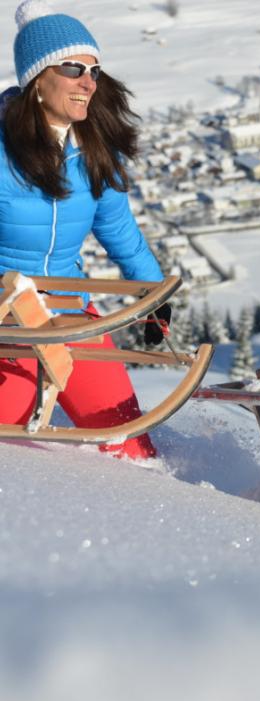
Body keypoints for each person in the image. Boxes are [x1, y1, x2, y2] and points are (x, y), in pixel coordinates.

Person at [0, 0, 170, 460]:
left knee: (130, 445)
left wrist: (154, 298)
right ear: (37, 79)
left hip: (72, 314)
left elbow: (119, 230)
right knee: (8, 452)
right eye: (73, 67)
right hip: (7, 328)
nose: (88, 82)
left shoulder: (93, 149)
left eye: (94, 70)